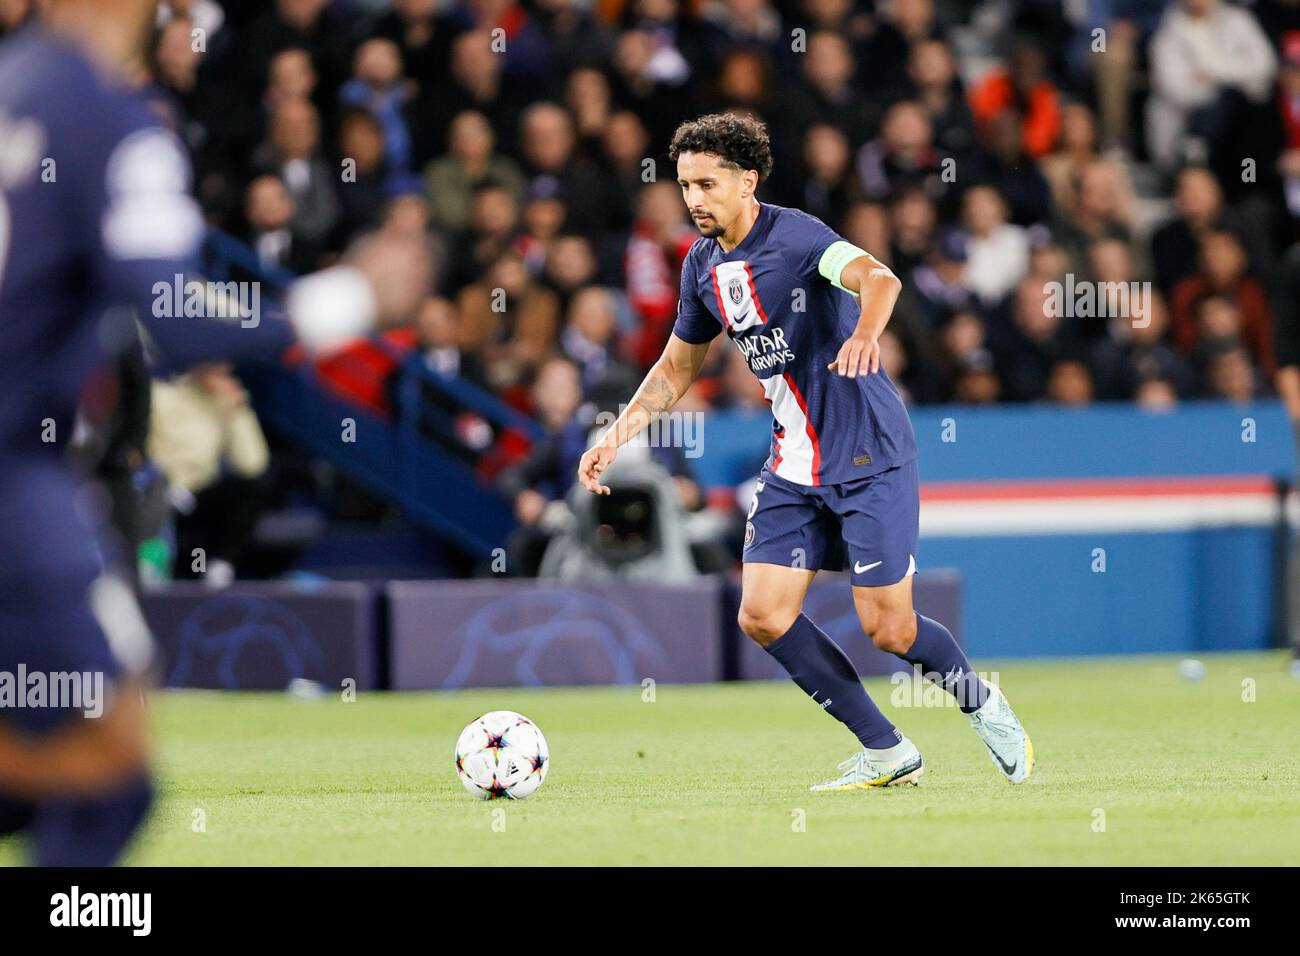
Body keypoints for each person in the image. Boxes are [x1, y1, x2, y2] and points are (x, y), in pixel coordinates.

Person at [0, 0, 428, 865]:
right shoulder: (109, 115)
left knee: (63, 769)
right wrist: (350, 299)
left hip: (35, 474)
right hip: (15, 481)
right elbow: (174, 316)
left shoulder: (17, 84)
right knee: (114, 770)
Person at [577, 113, 1033, 791]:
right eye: (685, 186)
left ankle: (981, 702)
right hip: (795, 464)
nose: (694, 199)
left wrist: (866, 335)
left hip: (868, 452)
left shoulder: (797, 237)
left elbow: (880, 279)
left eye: (708, 183)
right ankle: (886, 749)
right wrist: (617, 434)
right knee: (761, 612)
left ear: (747, 181)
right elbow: (676, 369)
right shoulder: (701, 265)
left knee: (889, 628)